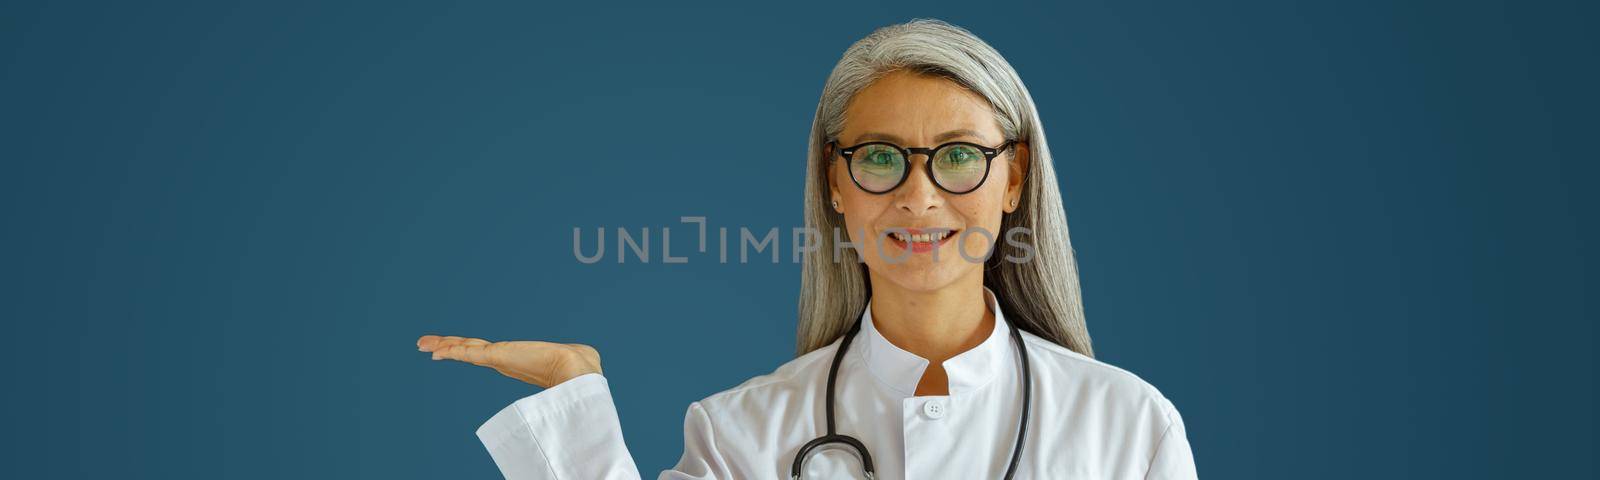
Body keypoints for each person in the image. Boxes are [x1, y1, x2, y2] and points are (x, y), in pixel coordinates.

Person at [417, 19, 1198, 479]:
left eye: (959, 155)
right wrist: (575, 396)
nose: (919, 196)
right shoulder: (742, 436)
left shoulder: (1127, 427)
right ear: (835, 183)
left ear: (1015, 178)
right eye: (880, 158)